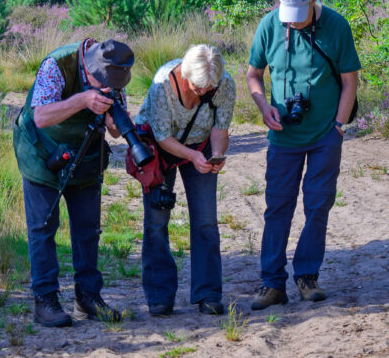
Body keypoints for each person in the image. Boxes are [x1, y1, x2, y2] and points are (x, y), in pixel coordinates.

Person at [246, 0, 361, 310]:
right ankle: (272, 284)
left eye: (300, 12)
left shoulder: (337, 25)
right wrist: (262, 105)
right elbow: (253, 74)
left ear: (314, 1)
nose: (293, 20)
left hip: (325, 134)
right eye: (288, 13)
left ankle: (307, 277)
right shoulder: (269, 24)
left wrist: (339, 126)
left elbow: (349, 81)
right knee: (277, 207)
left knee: (318, 205)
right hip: (283, 136)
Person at [13, 38, 132, 327]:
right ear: (88, 66)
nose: (106, 87)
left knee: (88, 230)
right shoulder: (56, 65)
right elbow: (41, 116)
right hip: (40, 151)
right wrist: (81, 100)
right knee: (43, 228)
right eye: (100, 82)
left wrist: (115, 120)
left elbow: (115, 133)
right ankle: (46, 301)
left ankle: (88, 299)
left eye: (112, 85)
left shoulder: (113, 74)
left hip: (85, 154)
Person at [135, 44, 236, 316]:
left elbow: (220, 127)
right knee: (157, 221)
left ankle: (208, 294)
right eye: (197, 86)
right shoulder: (162, 85)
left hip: (200, 144)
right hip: (159, 148)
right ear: (184, 73)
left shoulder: (224, 84)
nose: (202, 92)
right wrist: (192, 156)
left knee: (205, 221)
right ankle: (159, 296)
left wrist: (216, 155)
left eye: (208, 88)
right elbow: (163, 136)